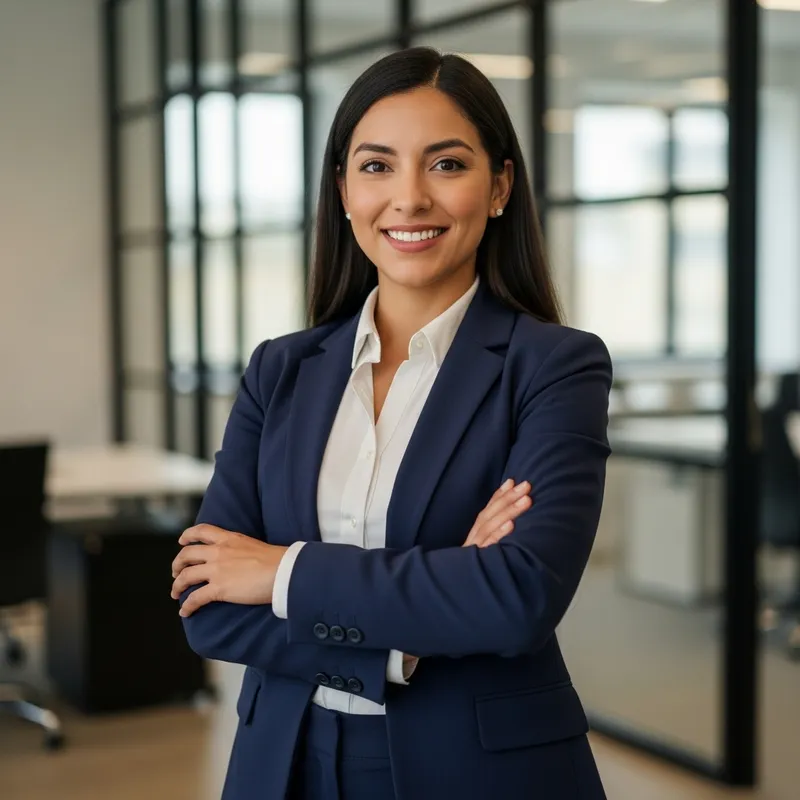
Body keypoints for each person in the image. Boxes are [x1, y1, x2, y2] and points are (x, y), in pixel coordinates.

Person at [170, 46, 611, 800]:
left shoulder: (554, 367)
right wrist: (402, 643)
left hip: (480, 771)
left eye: (446, 165)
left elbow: (515, 599)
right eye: (376, 167)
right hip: (282, 763)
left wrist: (280, 571)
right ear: (343, 189)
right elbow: (208, 608)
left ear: (499, 186)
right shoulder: (280, 370)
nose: (408, 198)